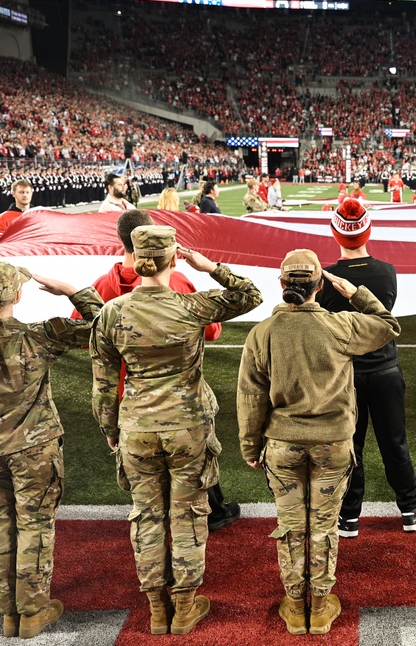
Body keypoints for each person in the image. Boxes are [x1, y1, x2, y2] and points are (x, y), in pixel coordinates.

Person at [90, 226, 262, 635]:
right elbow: (251, 295)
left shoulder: (112, 312)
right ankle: (184, 605)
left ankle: (156, 607)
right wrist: (210, 267)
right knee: (187, 515)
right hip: (188, 429)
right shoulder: (190, 307)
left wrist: (110, 428)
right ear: (173, 258)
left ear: (134, 256)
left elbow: (102, 383)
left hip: (136, 427)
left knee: (146, 516)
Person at [237, 249, 400, 635]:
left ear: (281, 285)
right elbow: (387, 324)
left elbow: (250, 397)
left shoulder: (263, 333)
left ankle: (296, 607)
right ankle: (321, 605)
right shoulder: (340, 326)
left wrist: (249, 446)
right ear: (320, 285)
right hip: (332, 444)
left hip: (282, 445)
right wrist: (354, 292)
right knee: (323, 525)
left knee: (291, 525)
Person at [73, 210, 240, 532]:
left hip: (130, 402)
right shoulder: (175, 282)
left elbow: (86, 337)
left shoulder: (101, 290)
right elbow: (212, 331)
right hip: (181, 403)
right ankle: (211, 515)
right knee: (189, 475)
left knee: (147, 498)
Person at [0, 262, 103, 639]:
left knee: (2, 525)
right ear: (17, 294)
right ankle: (32, 613)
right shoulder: (38, 336)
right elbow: (106, 328)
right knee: (34, 525)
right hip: (33, 449)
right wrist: (74, 292)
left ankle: (8, 614)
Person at [316, 199, 416, 538]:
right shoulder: (387, 272)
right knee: (394, 443)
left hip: (345, 375)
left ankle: (349, 517)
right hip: (385, 371)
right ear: (367, 231)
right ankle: (410, 509)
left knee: (351, 446)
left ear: (336, 233)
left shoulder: (326, 278)